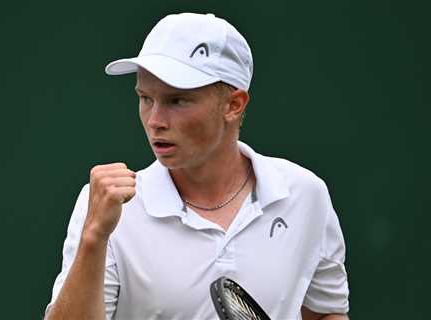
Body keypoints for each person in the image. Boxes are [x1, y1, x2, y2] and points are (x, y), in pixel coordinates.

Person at [44, 12, 349, 320]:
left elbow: (326, 314)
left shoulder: (306, 194)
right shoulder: (106, 207)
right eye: (145, 98)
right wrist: (94, 236)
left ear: (233, 105)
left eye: (177, 101)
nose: (155, 121)